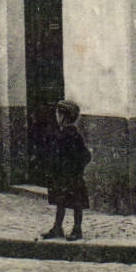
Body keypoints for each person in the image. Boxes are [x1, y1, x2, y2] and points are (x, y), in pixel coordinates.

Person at [41, 99, 91, 241]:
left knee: (76, 203)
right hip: (60, 175)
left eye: (58, 114)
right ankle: (57, 228)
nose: (56, 117)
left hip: (71, 176)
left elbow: (85, 155)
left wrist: (75, 169)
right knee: (60, 202)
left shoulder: (73, 135)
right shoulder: (60, 133)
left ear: (64, 116)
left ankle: (77, 229)